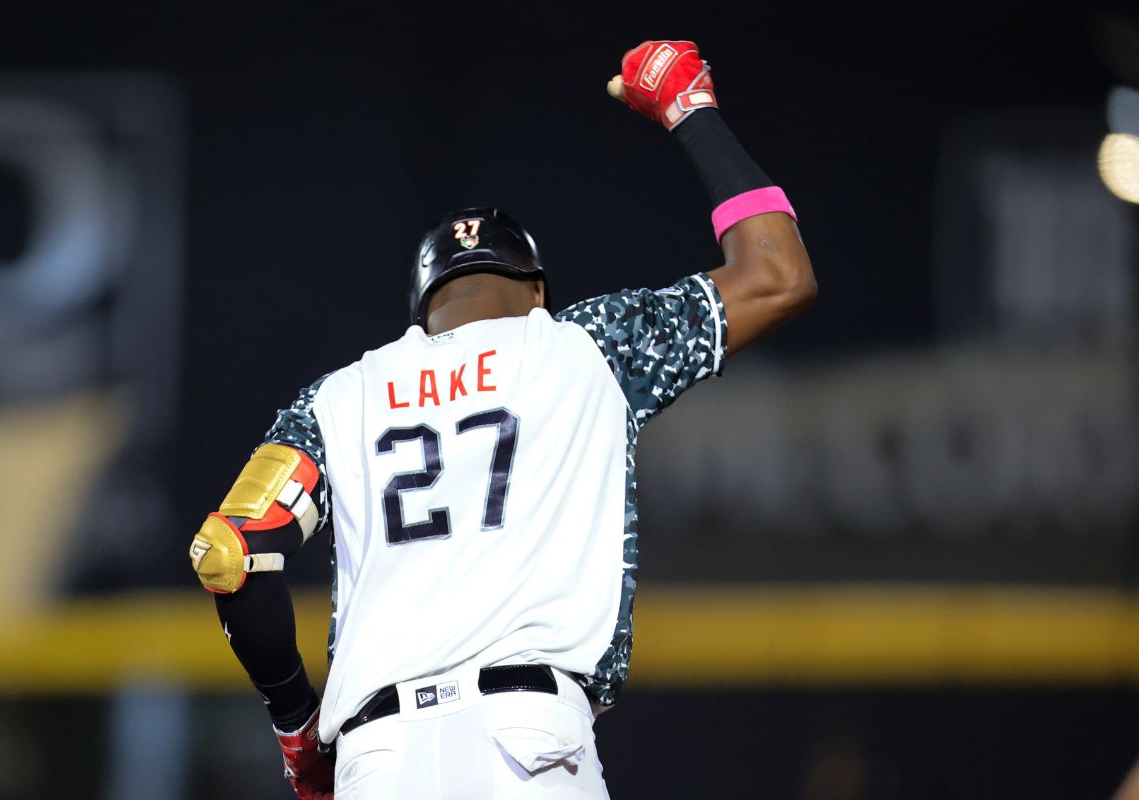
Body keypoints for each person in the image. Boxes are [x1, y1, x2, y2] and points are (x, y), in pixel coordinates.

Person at [189, 39, 815, 799]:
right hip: (528, 744)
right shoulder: (586, 348)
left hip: (375, 759)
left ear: (424, 311)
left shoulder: (341, 398)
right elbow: (776, 275)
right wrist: (689, 105)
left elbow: (231, 548)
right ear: (538, 291)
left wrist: (296, 728)